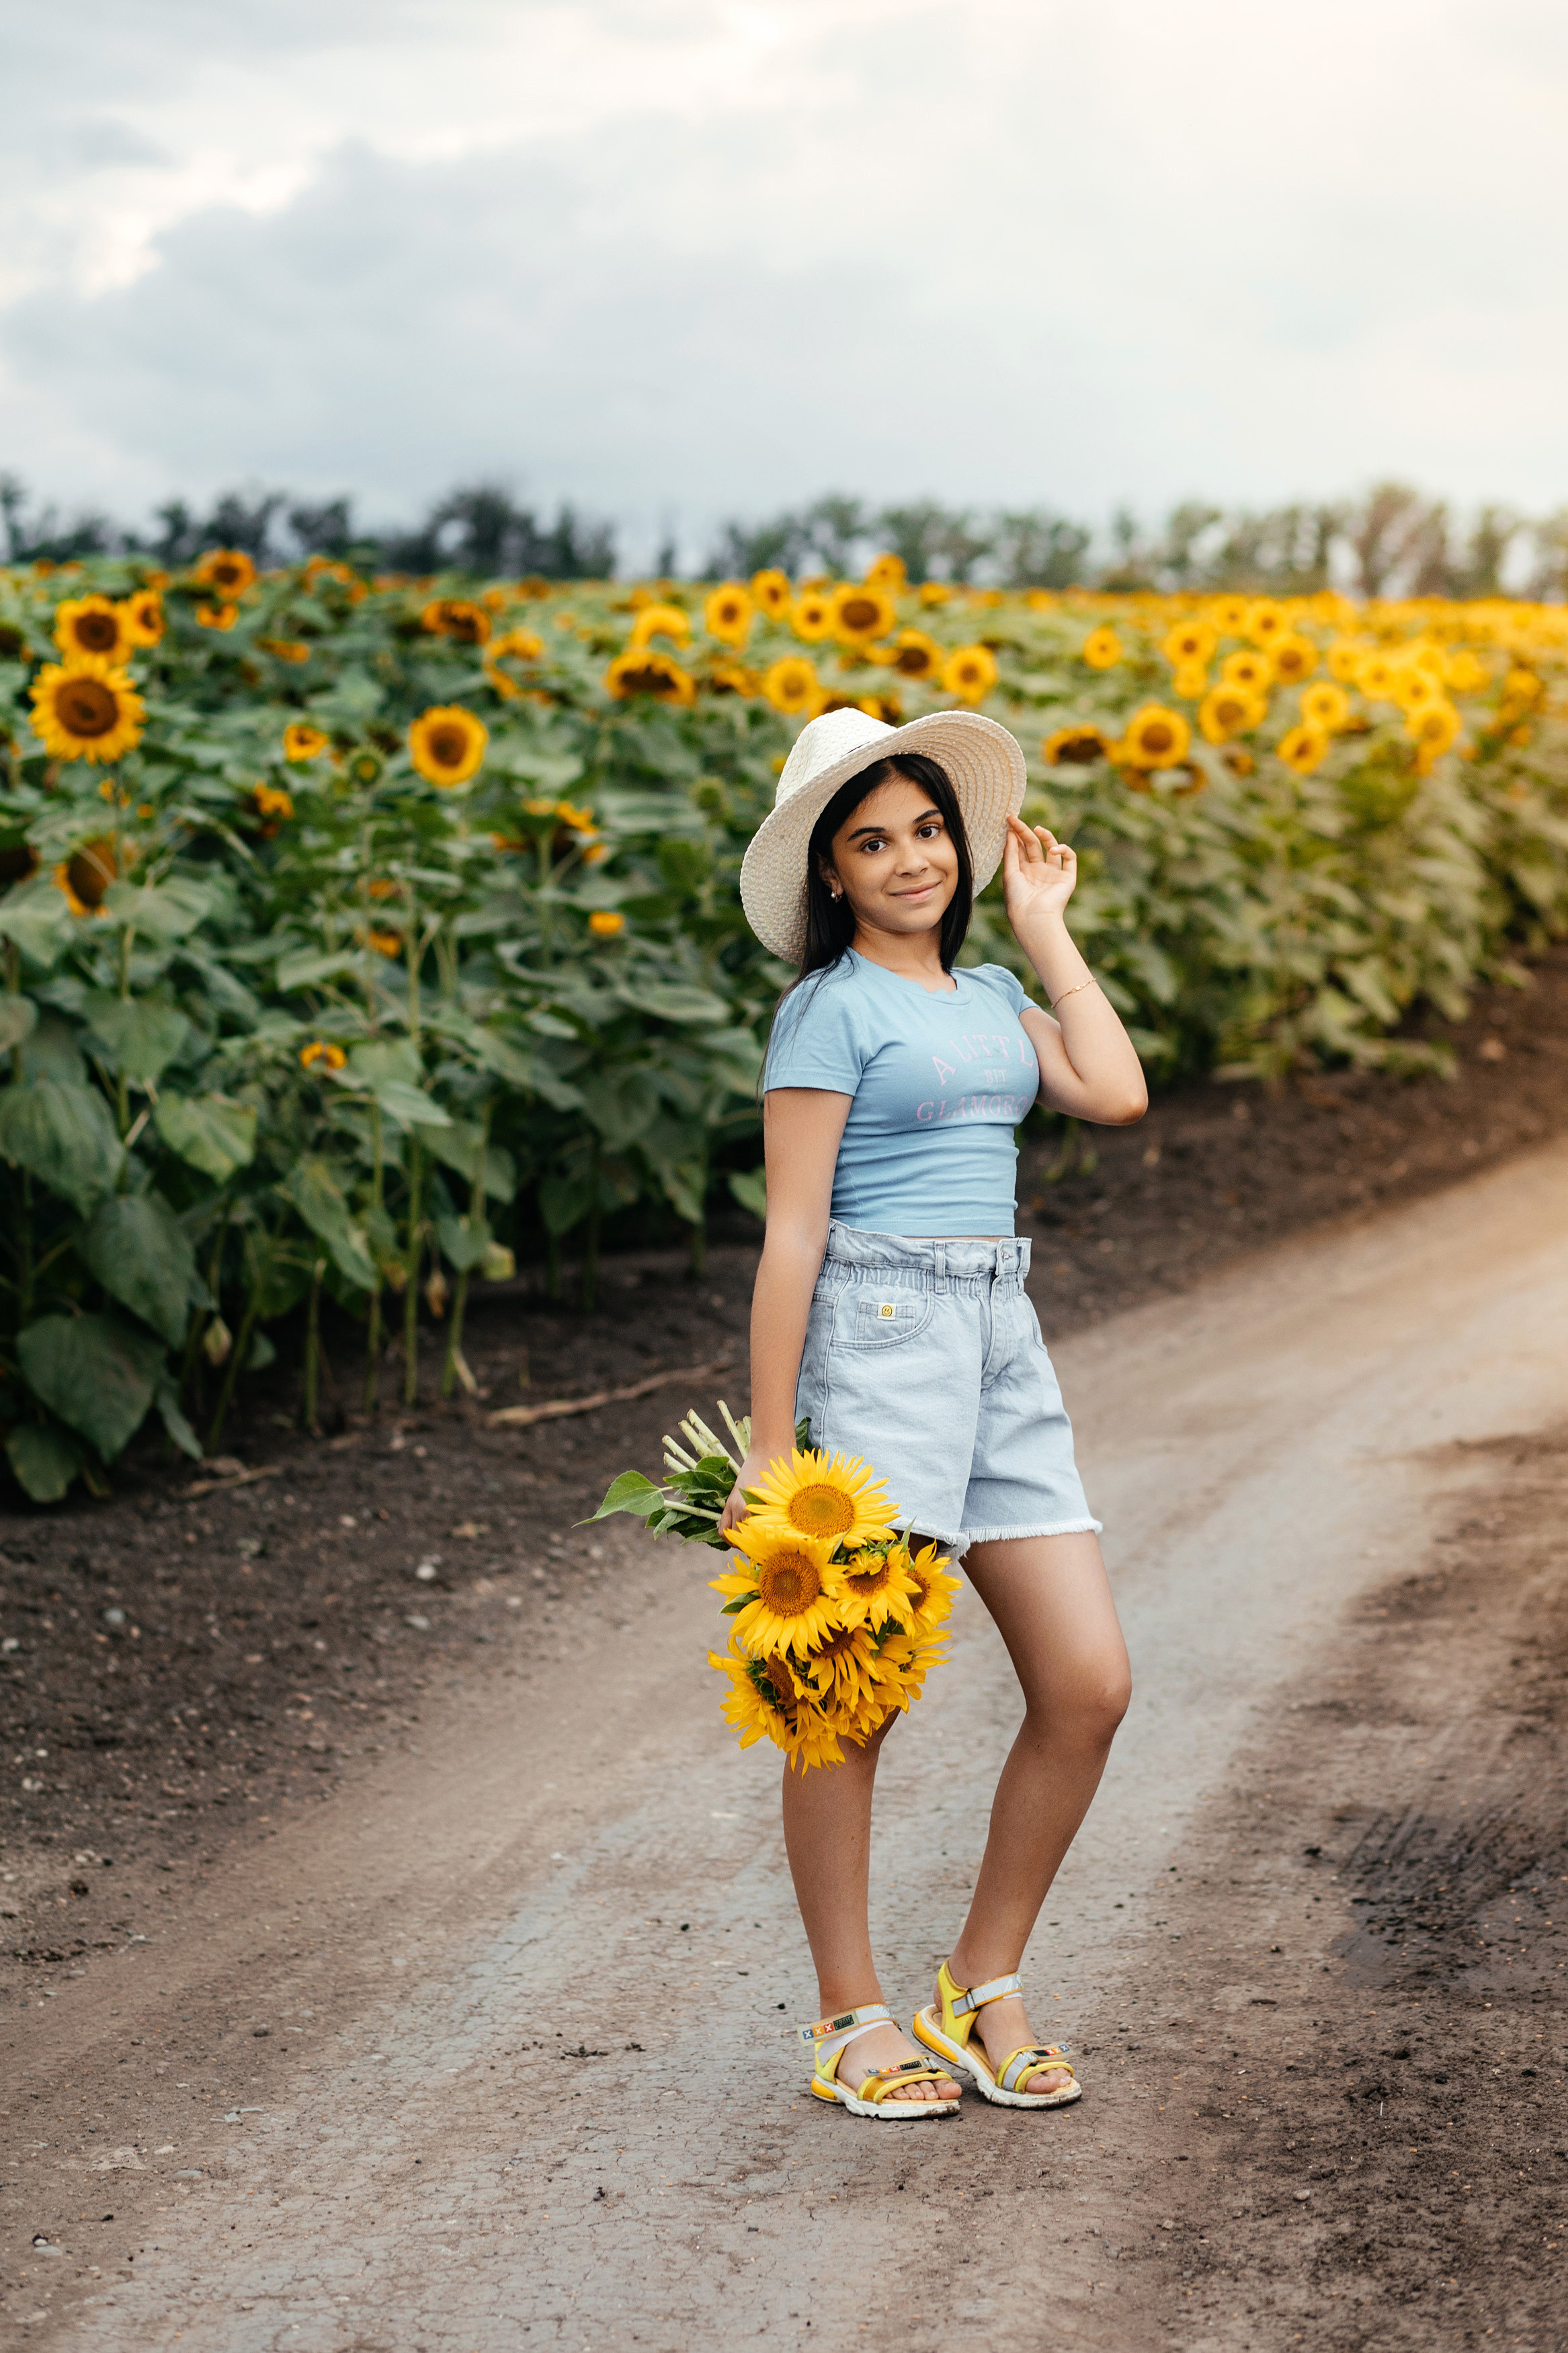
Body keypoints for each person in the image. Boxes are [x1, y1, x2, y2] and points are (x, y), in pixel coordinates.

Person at [722, 703, 1146, 2118]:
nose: (911, 859)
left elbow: (1116, 1088)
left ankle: (976, 1982)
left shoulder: (983, 1004)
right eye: (872, 841)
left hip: (1000, 1343)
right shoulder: (828, 1010)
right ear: (828, 876)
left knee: (1088, 1684)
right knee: (844, 1701)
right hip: (879, 1341)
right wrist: (771, 1445)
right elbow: (792, 1233)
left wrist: (1045, 926)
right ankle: (850, 2015)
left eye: (927, 831)